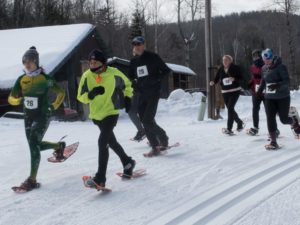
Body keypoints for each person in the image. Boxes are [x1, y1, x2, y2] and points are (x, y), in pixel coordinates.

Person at [8, 46, 66, 191]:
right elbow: (11, 98)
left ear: (36, 62)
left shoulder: (45, 79)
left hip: (42, 115)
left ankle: (32, 179)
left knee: (34, 143)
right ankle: (59, 146)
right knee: (34, 146)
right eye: (24, 61)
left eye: (30, 61)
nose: (27, 64)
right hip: (28, 117)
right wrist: (18, 101)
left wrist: (53, 106)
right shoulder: (21, 80)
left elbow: (61, 93)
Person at [77, 49, 135, 188]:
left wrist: (128, 97)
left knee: (102, 141)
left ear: (102, 63)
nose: (92, 65)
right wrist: (90, 95)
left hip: (111, 112)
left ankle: (100, 178)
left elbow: (127, 84)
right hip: (97, 115)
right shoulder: (86, 76)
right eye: (90, 62)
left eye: (95, 62)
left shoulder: (114, 73)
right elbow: (80, 96)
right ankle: (128, 162)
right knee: (111, 141)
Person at [128, 36, 171, 156]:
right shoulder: (133, 61)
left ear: (144, 45)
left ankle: (163, 138)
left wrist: (156, 80)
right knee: (144, 120)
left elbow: (166, 71)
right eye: (135, 45)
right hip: (141, 94)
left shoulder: (153, 57)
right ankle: (155, 147)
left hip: (153, 93)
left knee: (147, 121)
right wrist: (135, 84)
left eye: (139, 44)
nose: (137, 47)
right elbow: (130, 76)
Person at [258, 48, 300, 149]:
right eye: (264, 59)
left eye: (267, 58)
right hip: (269, 98)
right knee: (270, 118)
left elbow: (286, 81)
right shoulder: (264, 68)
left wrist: (277, 85)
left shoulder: (281, 67)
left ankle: (294, 122)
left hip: (282, 97)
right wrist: (259, 90)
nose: (266, 61)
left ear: (272, 57)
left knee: (284, 119)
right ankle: (273, 142)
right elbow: (264, 80)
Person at [210, 55, 244, 135]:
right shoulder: (221, 69)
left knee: (230, 108)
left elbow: (241, 78)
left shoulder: (235, 67)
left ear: (230, 61)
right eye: (223, 60)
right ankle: (239, 122)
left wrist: (234, 79)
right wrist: (213, 82)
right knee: (230, 109)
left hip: (235, 90)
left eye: (226, 60)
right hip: (225, 92)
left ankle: (229, 128)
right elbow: (217, 77)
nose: (224, 62)